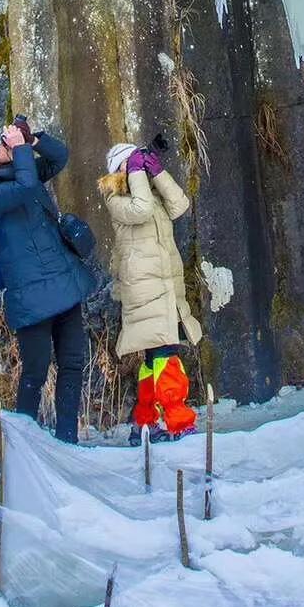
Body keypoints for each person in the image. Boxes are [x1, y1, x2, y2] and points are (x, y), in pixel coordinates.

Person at [0, 122, 94, 444]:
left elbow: (60, 158)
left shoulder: (21, 169)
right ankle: (22, 444)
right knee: (35, 372)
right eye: (2, 144)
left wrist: (33, 139)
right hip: (31, 295)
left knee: (72, 362)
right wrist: (22, 150)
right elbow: (25, 186)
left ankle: (67, 439)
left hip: (62, 283)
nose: (7, 145)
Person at [98, 142, 203, 443]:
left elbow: (180, 205)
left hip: (162, 285)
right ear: (121, 169)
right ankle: (178, 422)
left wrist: (157, 171)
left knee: (153, 358)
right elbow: (141, 210)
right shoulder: (115, 198)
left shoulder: (149, 192)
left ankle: (144, 423)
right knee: (166, 353)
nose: (139, 168)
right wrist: (135, 170)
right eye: (132, 164)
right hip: (144, 289)